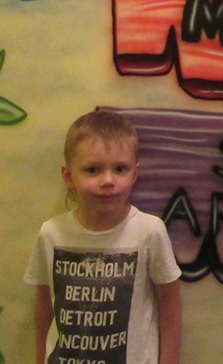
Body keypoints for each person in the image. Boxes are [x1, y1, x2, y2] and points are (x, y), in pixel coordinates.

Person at [25, 110, 182, 364]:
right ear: (69, 177)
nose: (108, 180)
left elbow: (170, 303)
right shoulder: (51, 234)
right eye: (93, 170)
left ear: (134, 174)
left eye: (120, 169)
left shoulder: (149, 231)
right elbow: (44, 306)